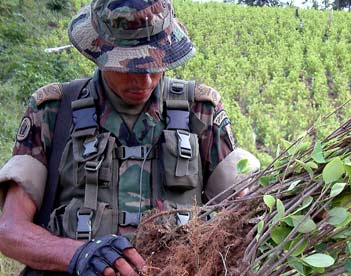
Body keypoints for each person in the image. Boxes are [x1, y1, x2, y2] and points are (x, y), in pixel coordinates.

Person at [0, 0, 259, 275]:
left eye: (157, 64)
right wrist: (78, 253)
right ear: (98, 52)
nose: (145, 80)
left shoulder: (200, 110)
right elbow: (10, 231)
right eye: (130, 68)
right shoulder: (54, 111)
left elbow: (246, 212)